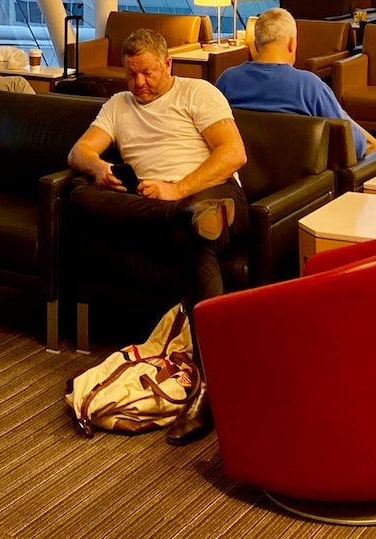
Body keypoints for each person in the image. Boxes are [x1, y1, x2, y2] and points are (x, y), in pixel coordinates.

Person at [67, 27, 247, 446]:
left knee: (197, 232)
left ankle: (208, 389)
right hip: (164, 209)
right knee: (79, 196)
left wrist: (178, 188)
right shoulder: (117, 105)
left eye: (147, 72)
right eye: (131, 74)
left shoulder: (198, 94)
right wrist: (99, 168)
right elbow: (79, 152)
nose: (139, 83)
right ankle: (183, 216)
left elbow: (233, 154)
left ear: (168, 64)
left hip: (214, 194)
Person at [217, 8, 376, 159]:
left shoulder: (227, 80)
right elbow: (354, 146)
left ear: (255, 44)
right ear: (291, 44)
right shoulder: (309, 86)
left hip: (242, 173)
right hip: (304, 176)